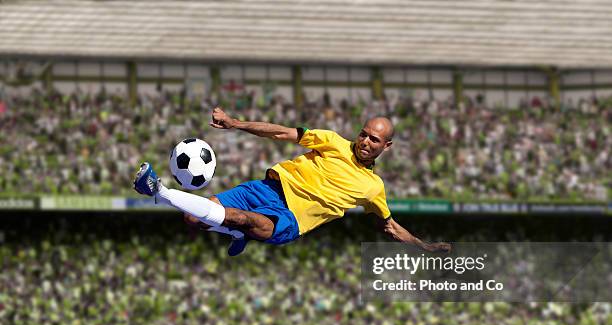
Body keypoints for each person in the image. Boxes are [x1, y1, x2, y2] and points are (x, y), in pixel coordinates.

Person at [134, 107, 451, 256]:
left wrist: (423, 247)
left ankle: (159, 190)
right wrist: (235, 122)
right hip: (266, 188)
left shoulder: (373, 188)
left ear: (386, 146)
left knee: (241, 219)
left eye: (375, 139)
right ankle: (234, 231)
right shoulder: (331, 141)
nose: (366, 141)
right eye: (364, 134)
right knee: (193, 218)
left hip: (289, 218)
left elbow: (390, 226)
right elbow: (281, 132)